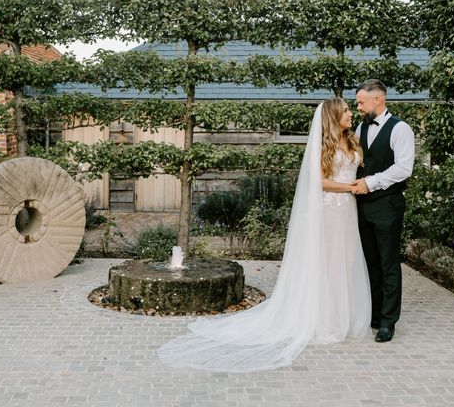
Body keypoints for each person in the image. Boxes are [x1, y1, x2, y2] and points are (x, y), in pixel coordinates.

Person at [158, 97, 371, 373]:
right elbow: (320, 182)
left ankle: (342, 316)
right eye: (345, 110)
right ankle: (322, 319)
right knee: (327, 263)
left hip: (347, 212)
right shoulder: (324, 145)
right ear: (333, 116)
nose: (350, 113)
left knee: (346, 261)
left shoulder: (352, 140)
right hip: (330, 211)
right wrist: (351, 188)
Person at [351, 79, 415, 343]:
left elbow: (403, 168)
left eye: (360, 102)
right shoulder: (359, 128)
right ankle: (374, 315)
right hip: (361, 207)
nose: (357, 107)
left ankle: (388, 322)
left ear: (378, 99)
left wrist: (370, 182)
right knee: (370, 264)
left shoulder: (401, 129)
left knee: (388, 264)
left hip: (387, 205)